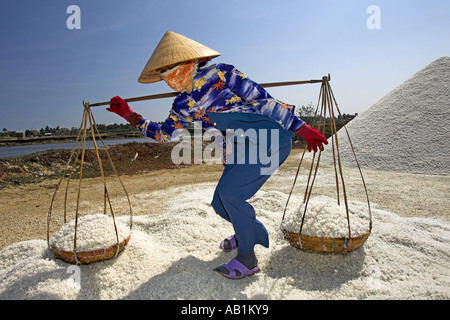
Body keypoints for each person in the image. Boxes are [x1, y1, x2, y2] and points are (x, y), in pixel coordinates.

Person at [107, 31, 328, 279]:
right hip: (239, 149)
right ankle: (247, 231)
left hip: (266, 137)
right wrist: (129, 115)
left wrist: (301, 128)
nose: (168, 76)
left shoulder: (221, 74)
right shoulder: (182, 105)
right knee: (220, 203)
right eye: (163, 71)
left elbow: (262, 99)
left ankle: (247, 258)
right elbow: (164, 135)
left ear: (191, 61)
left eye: (172, 67)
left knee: (230, 194)